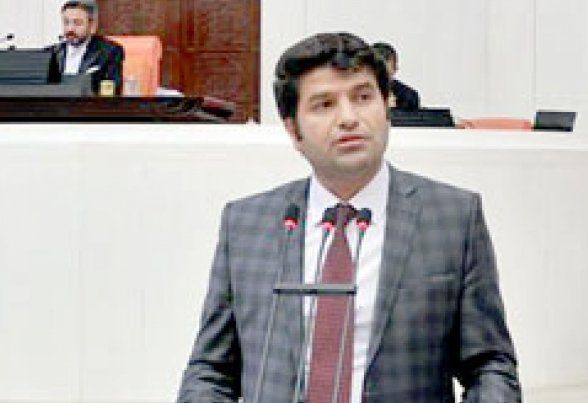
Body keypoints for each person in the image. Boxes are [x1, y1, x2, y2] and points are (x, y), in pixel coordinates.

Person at [177, 32, 520, 403]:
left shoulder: (453, 217)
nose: (348, 118)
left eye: (363, 98)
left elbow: (490, 366)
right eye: (324, 105)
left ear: (387, 108)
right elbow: (210, 372)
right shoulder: (247, 224)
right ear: (293, 130)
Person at [49, 0, 124, 95]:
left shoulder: (109, 52)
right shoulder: (51, 53)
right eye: (66, 22)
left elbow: (113, 92)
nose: (70, 29)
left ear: (92, 26)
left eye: (77, 23)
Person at [372, 42, 420, 110]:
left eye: (386, 75)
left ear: (395, 69)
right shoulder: (358, 91)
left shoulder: (408, 96)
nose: (382, 79)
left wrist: (394, 111)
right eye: (377, 74)